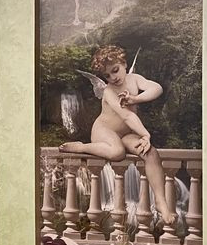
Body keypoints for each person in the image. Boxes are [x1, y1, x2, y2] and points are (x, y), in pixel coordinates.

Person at [59, 45, 176, 226]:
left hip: (127, 133)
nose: (113, 77)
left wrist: (136, 99)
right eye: (107, 75)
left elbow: (157, 88)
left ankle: (161, 201)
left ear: (124, 64)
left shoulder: (134, 79)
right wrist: (145, 134)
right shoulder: (108, 91)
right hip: (104, 131)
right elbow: (127, 115)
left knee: (151, 153)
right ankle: (82, 147)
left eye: (115, 70)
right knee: (117, 152)